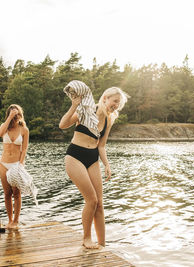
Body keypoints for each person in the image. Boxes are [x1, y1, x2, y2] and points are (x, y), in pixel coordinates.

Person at [59, 84, 128, 249]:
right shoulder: (87, 110)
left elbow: (101, 145)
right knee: (91, 200)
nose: (116, 106)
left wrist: (107, 165)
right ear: (105, 98)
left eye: (119, 104)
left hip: (93, 158)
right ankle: (86, 239)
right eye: (115, 101)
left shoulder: (109, 120)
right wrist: (74, 105)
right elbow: (62, 125)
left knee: (100, 203)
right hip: (75, 156)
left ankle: (103, 244)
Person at [0, 104, 29, 229]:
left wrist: (20, 165)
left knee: (17, 194)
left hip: (16, 165)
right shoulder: (4, 127)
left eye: (16, 115)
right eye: (12, 115)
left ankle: (16, 221)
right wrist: (9, 118)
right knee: (7, 194)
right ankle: (9, 220)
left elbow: (25, 149)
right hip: (3, 164)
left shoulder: (24, 130)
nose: (15, 117)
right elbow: (0, 133)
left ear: (20, 115)